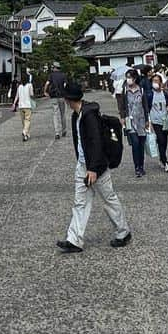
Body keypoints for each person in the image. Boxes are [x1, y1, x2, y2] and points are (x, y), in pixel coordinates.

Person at [56, 80, 131, 252]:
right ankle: (74, 239)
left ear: (69, 99)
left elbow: (97, 143)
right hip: (83, 165)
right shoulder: (77, 115)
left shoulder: (89, 116)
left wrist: (94, 169)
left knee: (108, 198)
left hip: (97, 167)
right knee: (80, 202)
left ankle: (123, 231)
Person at [123, 70, 148, 179]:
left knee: (141, 145)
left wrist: (147, 120)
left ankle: (141, 166)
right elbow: (122, 105)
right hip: (130, 121)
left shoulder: (141, 90)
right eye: (127, 77)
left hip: (141, 120)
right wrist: (122, 117)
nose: (128, 79)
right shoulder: (125, 90)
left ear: (135, 78)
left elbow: (145, 106)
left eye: (130, 77)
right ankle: (137, 167)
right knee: (135, 144)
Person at [148, 72, 168, 172]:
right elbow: (147, 108)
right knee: (161, 139)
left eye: (157, 81)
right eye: (154, 81)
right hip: (155, 121)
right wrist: (148, 121)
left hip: (164, 120)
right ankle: (165, 161)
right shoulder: (149, 94)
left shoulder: (164, 94)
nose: (156, 83)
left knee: (164, 141)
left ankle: (162, 158)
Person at [44, 63, 68, 140]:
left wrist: (45, 91)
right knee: (63, 114)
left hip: (54, 96)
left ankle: (57, 133)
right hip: (61, 96)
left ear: (54, 68)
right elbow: (65, 85)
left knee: (55, 114)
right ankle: (64, 130)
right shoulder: (63, 75)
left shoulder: (51, 75)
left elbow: (47, 83)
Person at [14, 74, 35, 141]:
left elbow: (17, 96)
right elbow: (31, 94)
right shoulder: (29, 85)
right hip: (28, 105)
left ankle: (26, 135)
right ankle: (25, 132)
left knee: (23, 121)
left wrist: (14, 103)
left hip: (21, 106)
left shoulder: (19, 86)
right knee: (27, 120)